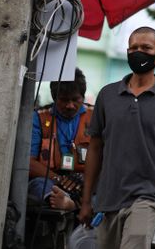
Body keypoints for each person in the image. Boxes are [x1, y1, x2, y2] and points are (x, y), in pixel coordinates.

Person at [78, 26, 155, 248]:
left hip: (147, 198)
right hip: (107, 200)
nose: (138, 52)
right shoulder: (107, 95)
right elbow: (95, 149)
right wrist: (86, 201)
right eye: (133, 48)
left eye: (146, 48)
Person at [29, 68, 92, 211]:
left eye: (75, 100)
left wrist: (85, 181)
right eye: (63, 100)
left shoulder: (95, 116)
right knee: (38, 186)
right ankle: (65, 201)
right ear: (54, 97)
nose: (70, 106)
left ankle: (71, 204)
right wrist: (59, 179)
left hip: (86, 180)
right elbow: (29, 162)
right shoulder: (38, 117)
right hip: (51, 180)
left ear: (83, 97)